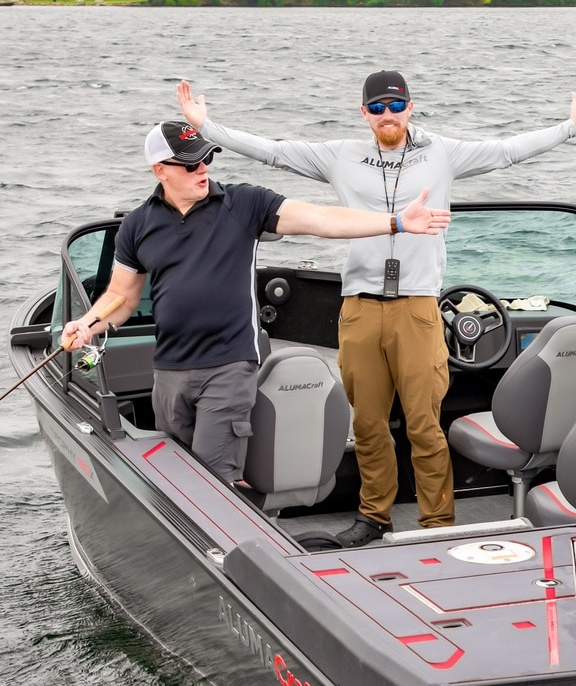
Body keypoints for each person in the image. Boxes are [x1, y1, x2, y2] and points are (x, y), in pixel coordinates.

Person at [175, 71, 576, 547]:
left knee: (424, 424)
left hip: (418, 307)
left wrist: (572, 126)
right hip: (360, 306)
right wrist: (206, 127)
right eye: (376, 108)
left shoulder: (441, 152)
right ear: (364, 114)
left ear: (410, 107)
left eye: (394, 106)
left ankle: (437, 524)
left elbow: (506, 151)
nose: (387, 115)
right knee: (369, 423)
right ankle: (374, 517)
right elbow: (273, 150)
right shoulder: (340, 156)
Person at [60, 121, 451, 488]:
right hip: (169, 372)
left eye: (207, 158)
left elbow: (322, 219)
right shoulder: (138, 225)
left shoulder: (244, 203)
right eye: (191, 163)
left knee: (214, 481)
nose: (203, 169)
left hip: (228, 368)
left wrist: (396, 222)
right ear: (160, 170)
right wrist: (88, 324)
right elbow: (121, 297)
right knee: (175, 479)